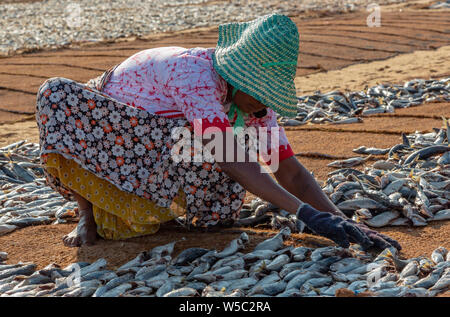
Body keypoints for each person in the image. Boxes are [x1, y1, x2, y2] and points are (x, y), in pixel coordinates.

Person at [35, 13, 401, 251]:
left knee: (224, 170)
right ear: (238, 77)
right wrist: (307, 215)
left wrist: (341, 220)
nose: (265, 104)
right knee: (55, 92)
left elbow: (288, 170)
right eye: (263, 92)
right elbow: (225, 153)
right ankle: (87, 211)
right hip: (111, 128)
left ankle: (141, 211)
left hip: (162, 144)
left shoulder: (253, 103)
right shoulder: (194, 74)